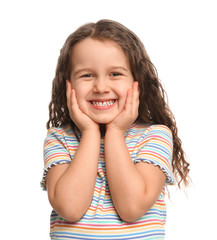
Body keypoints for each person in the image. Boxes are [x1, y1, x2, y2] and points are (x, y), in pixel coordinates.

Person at [41, 19, 190, 240]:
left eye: (115, 74)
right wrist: (90, 133)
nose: (101, 87)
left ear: (137, 82)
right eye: (87, 75)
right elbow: (70, 208)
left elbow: (131, 208)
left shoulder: (155, 136)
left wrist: (116, 131)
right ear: (68, 85)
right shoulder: (59, 138)